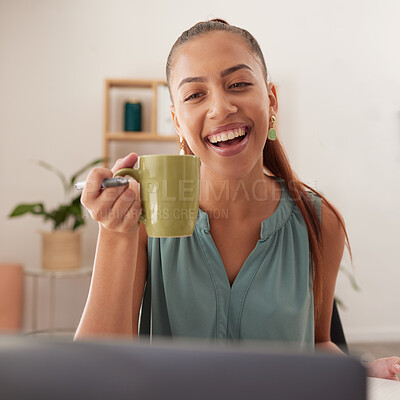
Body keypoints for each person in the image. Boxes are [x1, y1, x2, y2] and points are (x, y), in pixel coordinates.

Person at [75, 19, 400, 380]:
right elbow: (93, 373)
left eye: (239, 84)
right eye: (195, 94)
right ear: (177, 123)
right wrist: (115, 232)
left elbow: (316, 341)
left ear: (271, 99)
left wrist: (360, 372)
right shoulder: (144, 218)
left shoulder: (319, 222)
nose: (220, 107)